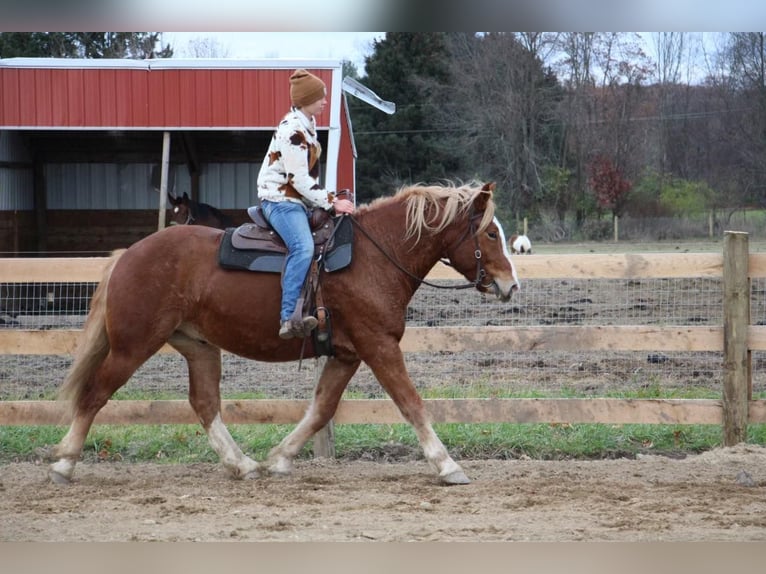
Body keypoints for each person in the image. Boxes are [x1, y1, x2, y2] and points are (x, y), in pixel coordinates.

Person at [255, 69, 355, 340]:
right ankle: (289, 317)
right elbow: (297, 179)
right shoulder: (293, 130)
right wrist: (333, 202)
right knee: (303, 246)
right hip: (280, 200)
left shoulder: (307, 127)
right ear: (306, 99)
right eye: (320, 97)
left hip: (296, 201)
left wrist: (328, 198)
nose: (324, 101)